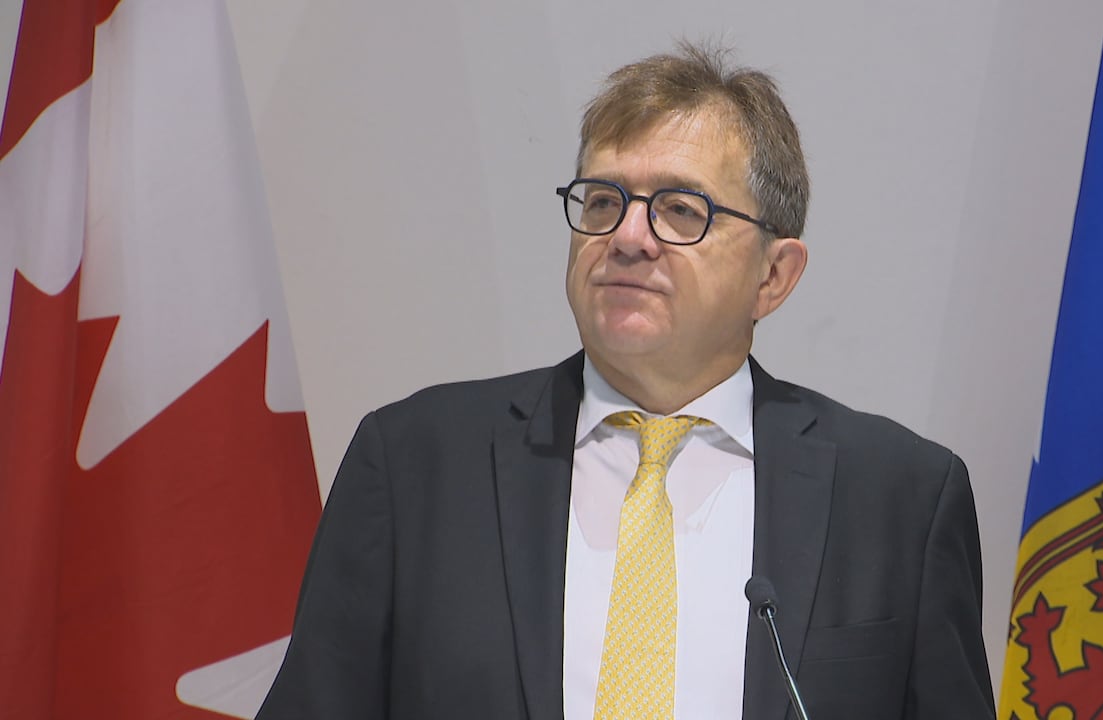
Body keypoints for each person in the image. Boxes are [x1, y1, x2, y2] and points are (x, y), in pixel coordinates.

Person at [257, 41, 995, 720]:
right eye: (604, 202)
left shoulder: (901, 499)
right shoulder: (416, 462)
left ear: (773, 275)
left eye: (680, 209)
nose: (628, 237)